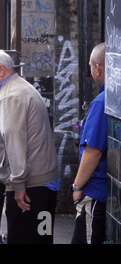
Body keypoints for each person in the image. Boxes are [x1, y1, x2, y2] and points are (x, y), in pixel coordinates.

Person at [0, 49, 59, 244]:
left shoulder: (10, 96)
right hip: (42, 183)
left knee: (27, 237)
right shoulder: (19, 88)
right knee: (42, 235)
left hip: (30, 189)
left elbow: (14, 141)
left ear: (1, 70)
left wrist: (18, 185)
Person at [71, 43, 107, 244]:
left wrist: (77, 186)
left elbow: (93, 152)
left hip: (95, 191)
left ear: (98, 68)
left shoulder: (101, 102)